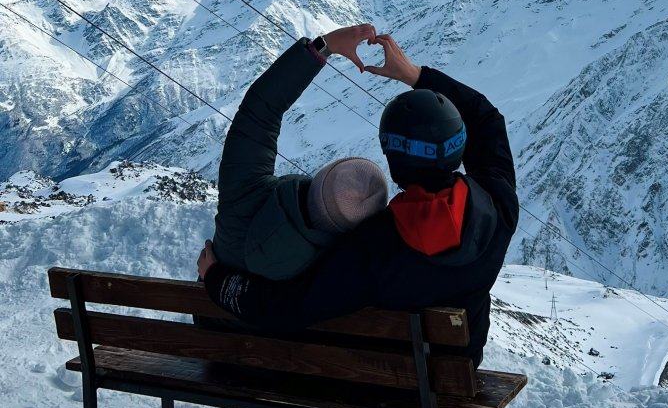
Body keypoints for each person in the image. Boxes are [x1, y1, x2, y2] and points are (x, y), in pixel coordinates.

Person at [198, 30, 518, 367]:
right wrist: (415, 75)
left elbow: (288, 307)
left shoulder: (374, 247)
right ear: (460, 145)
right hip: (446, 382)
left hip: (379, 387)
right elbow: (487, 121)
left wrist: (217, 278)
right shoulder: (499, 204)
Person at [210, 24, 389, 282]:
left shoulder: (245, 196)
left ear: (321, 178)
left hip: (209, 314)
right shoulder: (336, 277)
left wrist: (324, 47)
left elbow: (260, 111)